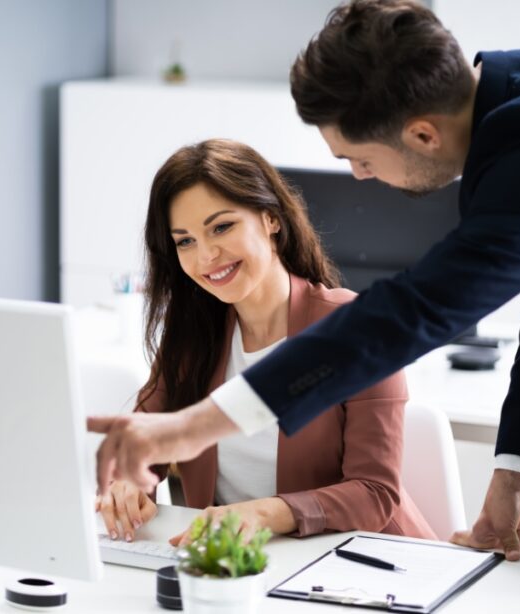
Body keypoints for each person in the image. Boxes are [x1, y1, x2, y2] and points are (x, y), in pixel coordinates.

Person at [88, 1, 520, 611]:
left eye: (359, 158)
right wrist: (514, 477)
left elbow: (416, 311)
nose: (357, 176)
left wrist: (194, 424)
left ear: (422, 134)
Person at [96, 138, 435, 545]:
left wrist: (264, 513)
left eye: (221, 227)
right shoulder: (193, 335)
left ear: (271, 218)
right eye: (185, 241)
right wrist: (129, 485)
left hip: (365, 569)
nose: (206, 257)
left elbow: (375, 494)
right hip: (250, 569)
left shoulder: (357, 328)